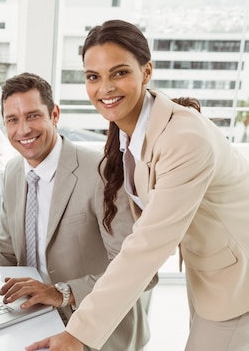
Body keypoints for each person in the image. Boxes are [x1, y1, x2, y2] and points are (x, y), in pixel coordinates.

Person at [28, 20, 249, 351]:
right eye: (93, 77)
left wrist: (79, 332)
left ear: (147, 71)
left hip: (238, 280)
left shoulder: (185, 139)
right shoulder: (128, 131)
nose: (105, 88)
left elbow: (147, 246)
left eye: (119, 73)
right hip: (211, 270)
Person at [0, 72, 154, 350]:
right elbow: (5, 253)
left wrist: (61, 293)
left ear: (54, 114)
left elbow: (142, 273)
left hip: (94, 325)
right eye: (13, 120)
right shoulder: (13, 172)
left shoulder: (101, 172)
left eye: (33, 116)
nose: (23, 130)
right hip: (34, 314)